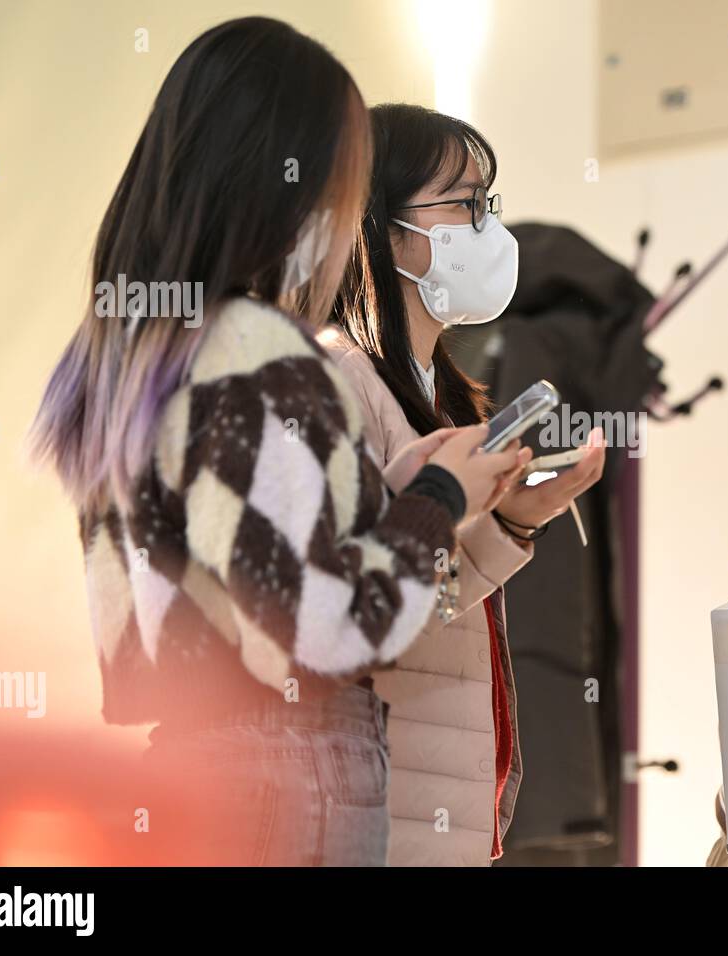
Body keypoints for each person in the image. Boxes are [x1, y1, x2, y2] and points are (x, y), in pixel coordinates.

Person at [28, 18, 521, 866]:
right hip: (294, 778)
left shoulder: (121, 354)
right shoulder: (253, 350)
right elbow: (324, 626)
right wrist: (440, 503)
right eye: (344, 184)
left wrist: (389, 495)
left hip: (188, 767)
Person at [324, 103, 606, 865]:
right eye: (467, 205)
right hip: (381, 811)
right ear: (382, 229)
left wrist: (512, 522)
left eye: (491, 203)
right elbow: (344, 617)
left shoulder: (443, 395)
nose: (490, 230)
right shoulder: (338, 386)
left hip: (443, 801)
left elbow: (430, 595)